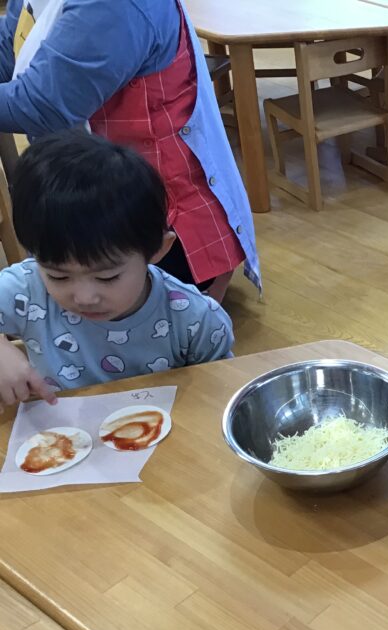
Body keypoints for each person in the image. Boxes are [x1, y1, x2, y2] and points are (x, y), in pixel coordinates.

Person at [0, 0, 261, 300]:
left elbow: (42, 104)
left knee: (103, 310)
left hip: (157, 223)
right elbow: (10, 50)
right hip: (95, 199)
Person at [0, 131, 234, 408]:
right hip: (59, 443)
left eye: (107, 277)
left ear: (157, 249)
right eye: (58, 275)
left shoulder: (194, 320)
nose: (85, 297)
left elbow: (221, 399)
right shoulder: (26, 290)